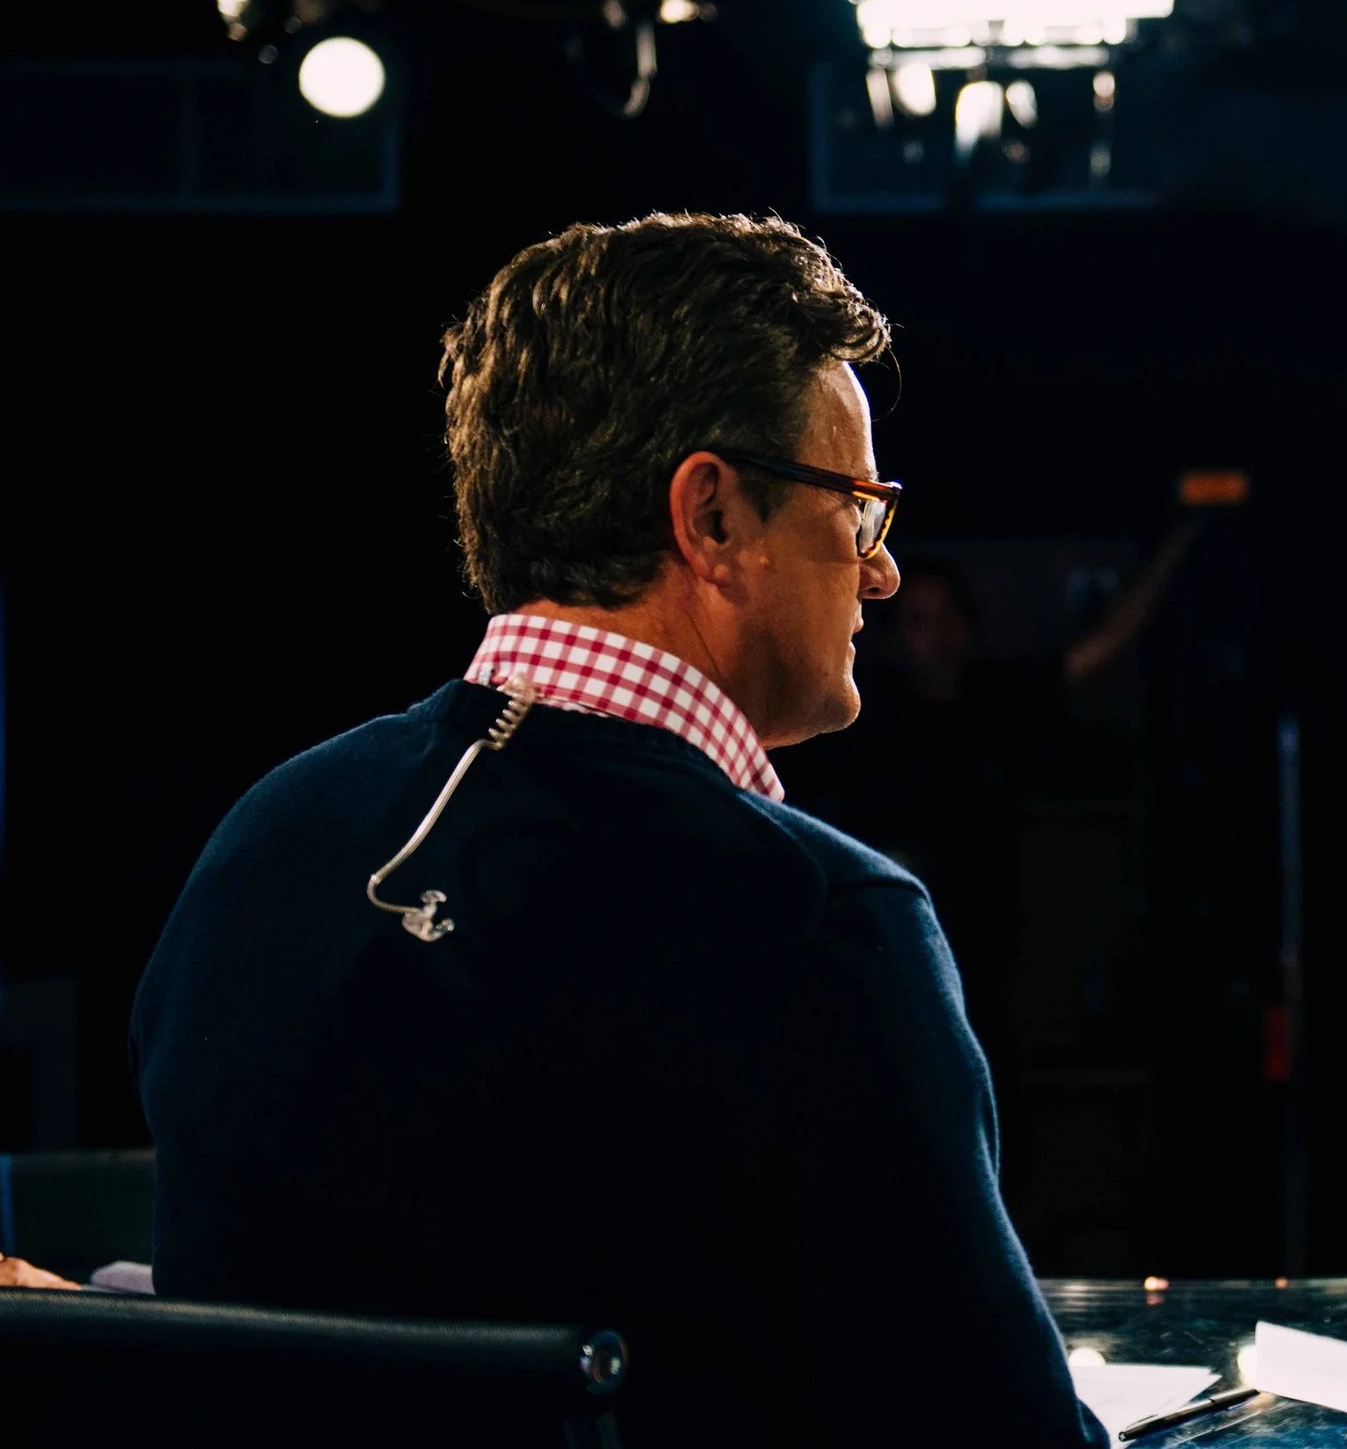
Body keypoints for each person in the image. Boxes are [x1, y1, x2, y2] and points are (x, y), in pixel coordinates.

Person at [131, 214, 1108, 1445]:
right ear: (710, 518)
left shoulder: (258, 845)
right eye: (858, 507)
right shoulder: (820, 930)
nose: (882, 574)